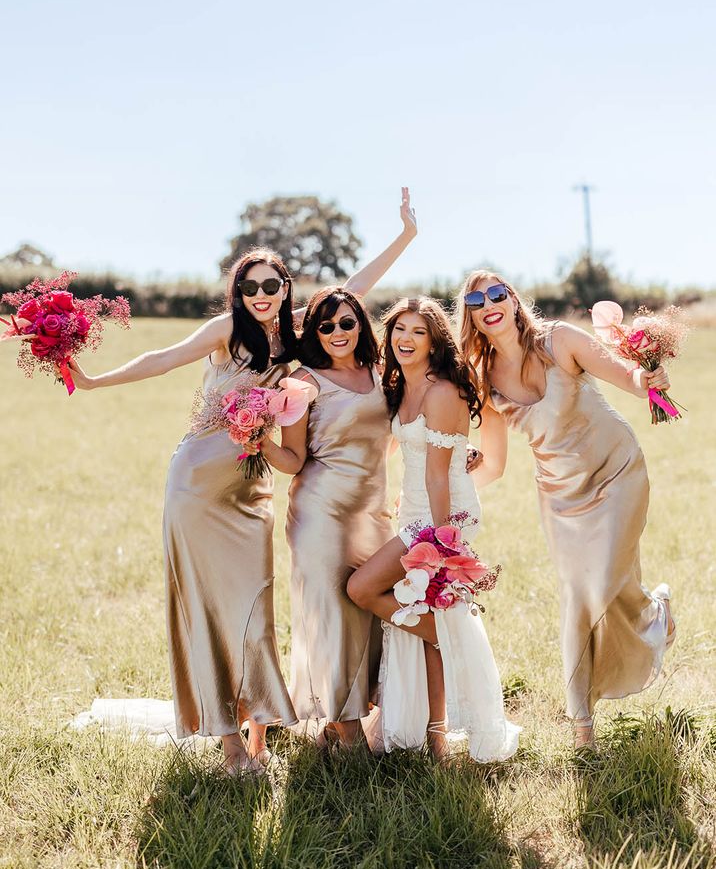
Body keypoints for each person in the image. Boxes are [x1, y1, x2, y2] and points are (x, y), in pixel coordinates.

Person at [64, 191, 418, 775]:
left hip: (251, 490)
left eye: (271, 287)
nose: (260, 296)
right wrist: (95, 381)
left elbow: (354, 289)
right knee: (210, 606)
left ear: (285, 291)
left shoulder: (297, 332)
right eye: (250, 287)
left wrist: (404, 236)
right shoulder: (227, 330)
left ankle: (258, 728)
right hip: (199, 483)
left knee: (253, 610)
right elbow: (161, 357)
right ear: (238, 292)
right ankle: (232, 747)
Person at [457, 270, 675, 748]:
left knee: (604, 583)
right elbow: (493, 464)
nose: (489, 303)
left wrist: (648, 376)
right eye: (476, 300)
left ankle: (656, 615)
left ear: (513, 301)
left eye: (497, 293)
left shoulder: (560, 340)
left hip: (616, 471)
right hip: (560, 496)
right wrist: (443, 483)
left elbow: (628, 378)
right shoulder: (483, 378)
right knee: (578, 597)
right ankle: (582, 725)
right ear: (471, 315)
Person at [347, 298, 520, 762]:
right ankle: (437, 737)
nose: (405, 339)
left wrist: (442, 544)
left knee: (362, 588)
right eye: (399, 329)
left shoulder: (442, 391)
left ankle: (446, 635)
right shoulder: (399, 385)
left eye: (418, 332)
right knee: (423, 619)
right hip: (416, 512)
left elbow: (438, 474)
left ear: (434, 340)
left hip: (441, 516)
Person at [260, 287, 393, 748]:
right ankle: (345, 726)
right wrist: (254, 436)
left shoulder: (380, 373)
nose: (338, 332)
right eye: (326, 326)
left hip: (373, 514)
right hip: (321, 514)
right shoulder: (302, 382)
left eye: (347, 323)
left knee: (371, 614)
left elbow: (392, 437)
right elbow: (294, 459)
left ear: (361, 324)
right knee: (332, 614)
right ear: (314, 333)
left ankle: (352, 718)